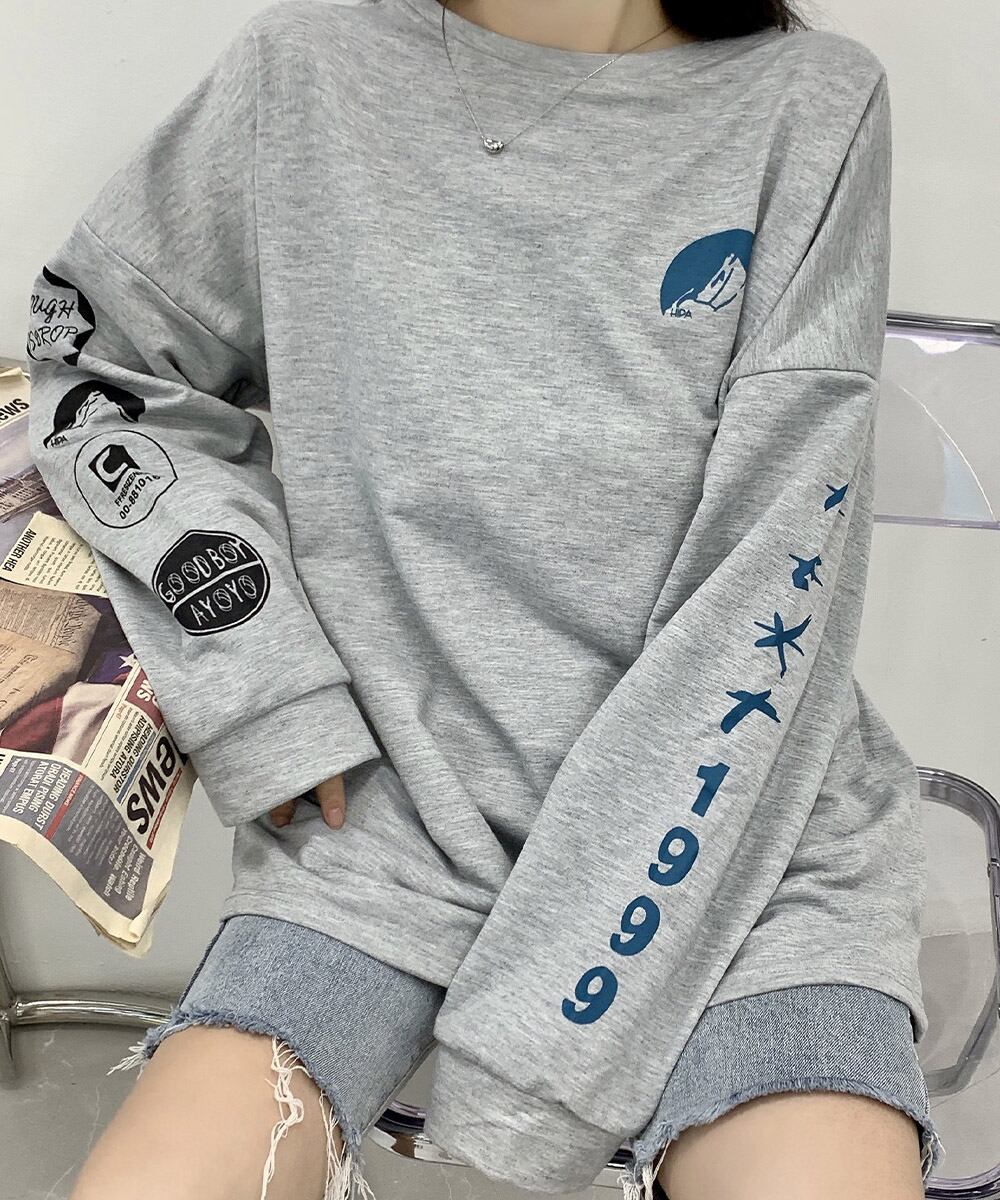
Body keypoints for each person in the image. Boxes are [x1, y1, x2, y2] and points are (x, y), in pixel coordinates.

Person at [25, 1, 945, 1198]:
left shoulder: (812, 103)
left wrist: (543, 1046)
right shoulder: (302, 74)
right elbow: (99, 364)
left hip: (735, 826)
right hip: (394, 822)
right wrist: (264, 684)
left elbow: (779, 557)